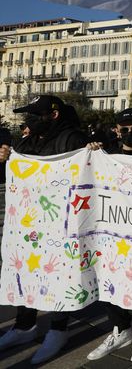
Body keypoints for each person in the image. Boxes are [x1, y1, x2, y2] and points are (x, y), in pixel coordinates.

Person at [0, 95, 90, 364]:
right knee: (25, 269)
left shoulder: (73, 140)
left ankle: (58, 329)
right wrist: (3, 159)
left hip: (61, 223)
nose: (28, 122)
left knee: (60, 274)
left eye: (34, 116)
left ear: (53, 115)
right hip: (28, 223)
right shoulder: (27, 140)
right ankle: (24, 326)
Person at [85, 108, 132, 362]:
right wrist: (92, 150)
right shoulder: (106, 155)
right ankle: (121, 329)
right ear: (117, 130)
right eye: (125, 128)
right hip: (114, 231)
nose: (130, 132)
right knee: (109, 275)